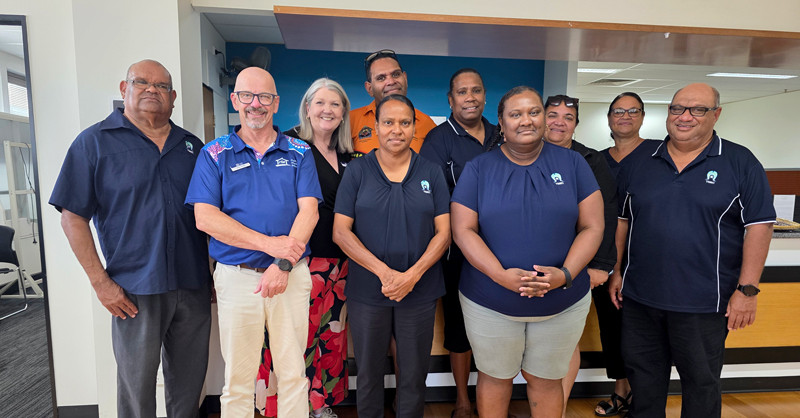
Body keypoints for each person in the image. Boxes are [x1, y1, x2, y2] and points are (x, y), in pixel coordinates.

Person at [49, 59, 212, 418]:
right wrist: (100, 283)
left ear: (173, 97)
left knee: (189, 387)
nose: (152, 90)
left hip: (193, 284)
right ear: (124, 89)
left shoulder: (192, 147)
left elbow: (209, 217)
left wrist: (213, 274)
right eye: (142, 82)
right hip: (133, 290)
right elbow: (72, 218)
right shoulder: (94, 143)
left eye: (161, 86)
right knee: (136, 389)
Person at [609, 83, 775, 417]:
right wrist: (616, 271)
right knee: (643, 383)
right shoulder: (639, 161)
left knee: (701, 384)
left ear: (716, 114)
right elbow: (622, 221)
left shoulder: (740, 162)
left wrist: (747, 289)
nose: (685, 117)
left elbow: (759, 226)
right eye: (677, 108)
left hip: (703, 303)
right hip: (640, 299)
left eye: (697, 109)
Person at [451, 86, 604, 418]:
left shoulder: (574, 163)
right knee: (495, 377)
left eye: (534, 112)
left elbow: (592, 226)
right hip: (490, 300)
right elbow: (463, 230)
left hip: (562, 300)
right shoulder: (478, 168)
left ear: (544, 119)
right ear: (501, 123)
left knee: (546, 380)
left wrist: (565, 274)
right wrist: (499, 276)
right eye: (515, 114)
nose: (526, 120)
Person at [185, 67, 322, 418]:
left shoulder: (300, 151)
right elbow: (206, 218)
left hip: (291, 276)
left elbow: (309, 212)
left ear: (276, 103)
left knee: (293, 373)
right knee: (238, 380)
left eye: (264, 97)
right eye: (247, 95)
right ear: (235, 100)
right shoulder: (214, 153)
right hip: (237, 277)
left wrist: (282, 264)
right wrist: (270, 246)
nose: (255, 104)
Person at [333, 95, 451, 418]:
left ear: (414, 127)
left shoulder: (432, 172)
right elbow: (340, 232)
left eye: (404, 123)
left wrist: (412, 276)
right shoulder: (357, 172)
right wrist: (385, 273)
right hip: (368, 291)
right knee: (368, 374)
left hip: (420, 290)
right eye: (388, 122)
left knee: (414, 375)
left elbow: (444, 233)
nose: (396, 130)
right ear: (375, 127)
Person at [255, 78, 353, 418]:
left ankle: (321, 405)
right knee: (296, 337)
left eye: (335, 104)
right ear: (307, 108)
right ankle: (290, 408)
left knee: (331, 337)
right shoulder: (288, 147)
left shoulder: (348, 155)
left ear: (344, 112)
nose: (328, 110)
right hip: (300, 260)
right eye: (320, 103)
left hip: (341, 263)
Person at [419, 68, 497, 418]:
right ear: (450, 100)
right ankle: (464, 402)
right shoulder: (438, 140)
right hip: (457, 251)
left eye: (476, 90)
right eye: (462, 92)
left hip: (503, 248)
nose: (470, 98)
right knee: (459, 323)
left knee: (497, 325)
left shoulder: (501, 134)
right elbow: (433, 198)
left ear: (485, 96)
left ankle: (492, 402)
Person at [542, 95, 618, 417]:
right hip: (530, 264)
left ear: (576, 124)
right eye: (552, 115)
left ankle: (556, 411)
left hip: (575, 265)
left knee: (565, 341)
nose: (559, 122)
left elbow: (607, 214)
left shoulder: (590, 160)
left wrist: (601, 265)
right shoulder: (521, 152)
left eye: (568, 117)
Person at [595, 92, 662, 416]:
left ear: (643, 117)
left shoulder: (659, 154)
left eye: (633, 110)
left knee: (645, 335)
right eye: (618, 111)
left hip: (648, 258)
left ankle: (645, 399)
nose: (625, 116)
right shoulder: (596, 160)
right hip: (606, 259)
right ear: (609, 118)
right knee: (613, 329)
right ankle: (621, 392)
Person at [350, 49, 437, 156]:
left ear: (405, 78)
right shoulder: (351, 121)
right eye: (381, 78)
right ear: (369, 88)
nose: (391, 82)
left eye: (396, 74)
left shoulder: (427, 124)